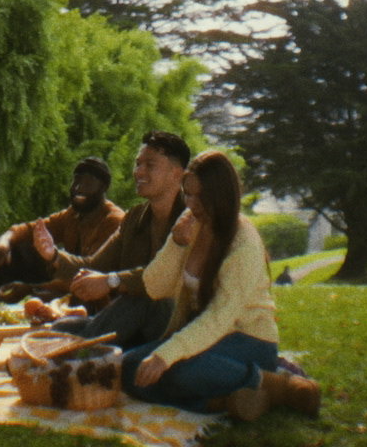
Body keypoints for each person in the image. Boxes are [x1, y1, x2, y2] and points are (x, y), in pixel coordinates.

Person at [120, 150, 320, 421]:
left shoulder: (243, 242)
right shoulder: (191, 225)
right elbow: (154, 288)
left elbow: (220, 317)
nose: (191, 204)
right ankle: (223, 401)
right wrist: (176, 244)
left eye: (199, 197)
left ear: (220, 196)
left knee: (181, 372)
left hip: (248, 340)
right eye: (187, 194)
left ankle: (277, 386)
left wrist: (165, 356)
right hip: (202, 336)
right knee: (128, 368)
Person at [46, 130, 192, 349]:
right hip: (132, 324)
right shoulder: (134, 218)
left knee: (143, 298)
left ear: (176, 174)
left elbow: (163, 279)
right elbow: (95, 265)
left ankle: (78, 355)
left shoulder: (193, 219)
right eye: (137, 164)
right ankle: (80, 352)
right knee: (63, 328)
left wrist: (111, 281)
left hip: (176, 328)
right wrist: (53, 255)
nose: (138, 171)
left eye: (149, 165)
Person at [0, 156, 124, 306]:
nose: (78, 188)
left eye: (88, 183)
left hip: (99, 296)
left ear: (103, 188)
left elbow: (92, 275)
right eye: (76, 181)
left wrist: (32, 288)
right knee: (21, 250)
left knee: (57, 292)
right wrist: (5, 239)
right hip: (69, 281)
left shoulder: (113, 221)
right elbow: (32, 230)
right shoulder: (73, 215)